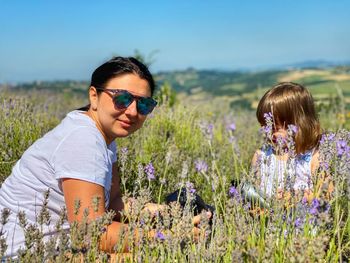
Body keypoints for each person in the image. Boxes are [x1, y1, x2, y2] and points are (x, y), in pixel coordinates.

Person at [0, 57, 205, 258]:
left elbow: (112, 202)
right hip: (24, 254)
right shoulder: (83, 139)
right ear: (94, 96)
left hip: (54, 246)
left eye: (143, 105)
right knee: (160, 255)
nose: (132, 111)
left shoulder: (103, 137)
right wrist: (170, 237)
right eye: (122, 99)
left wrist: (162, 212)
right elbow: (91, 235)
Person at [251, 82, 332, 203]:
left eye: (275, 128)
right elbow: (252, 195)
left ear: (300, 124)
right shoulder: (260, 156)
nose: (268, 132)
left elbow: (328, 196)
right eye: (264, 126)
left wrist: (295, 197)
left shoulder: (314, 158)